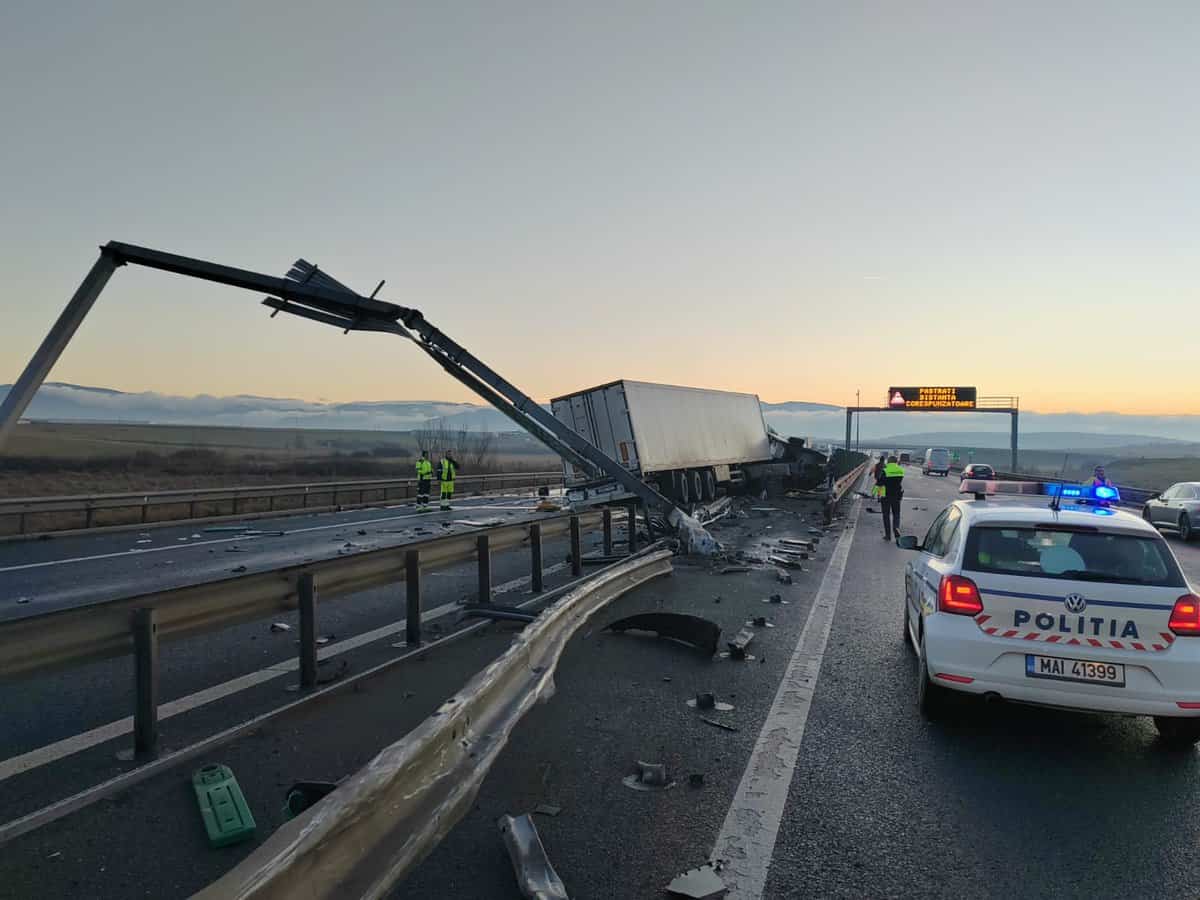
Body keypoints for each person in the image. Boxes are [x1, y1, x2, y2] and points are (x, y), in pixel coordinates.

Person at [880, 455, 905, 541]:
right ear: (896, 462)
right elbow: (899, 481)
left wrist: (875, 494)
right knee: (896, 514)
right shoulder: (901, 471)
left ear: (889, 462)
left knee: (886, 515)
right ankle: (896, 528)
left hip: (886, 496)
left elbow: (879, 484)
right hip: (897, 495)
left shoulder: (885, 471)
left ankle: (888, 535)